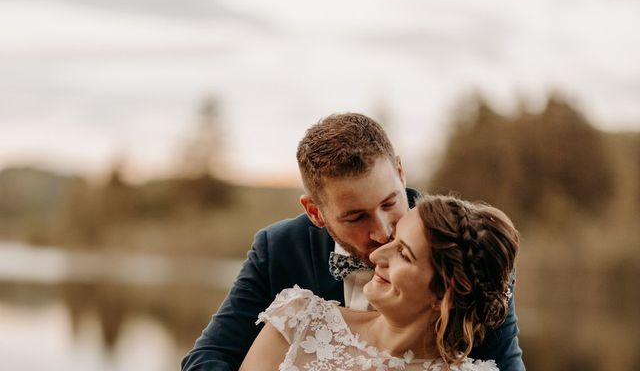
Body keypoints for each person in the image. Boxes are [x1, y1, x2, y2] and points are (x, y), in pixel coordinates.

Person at [181, 113, 524, 371]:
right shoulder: (280, 251)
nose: (383, 232)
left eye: (390, 202)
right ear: (315, 212)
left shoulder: (468, 255)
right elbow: (209, 357)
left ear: (401, 173)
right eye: (356, 217)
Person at [240, 195, 520, 371]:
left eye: (403, 254)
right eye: (393, 240)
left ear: (445, 292)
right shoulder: (299, 322)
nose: (376, 255)